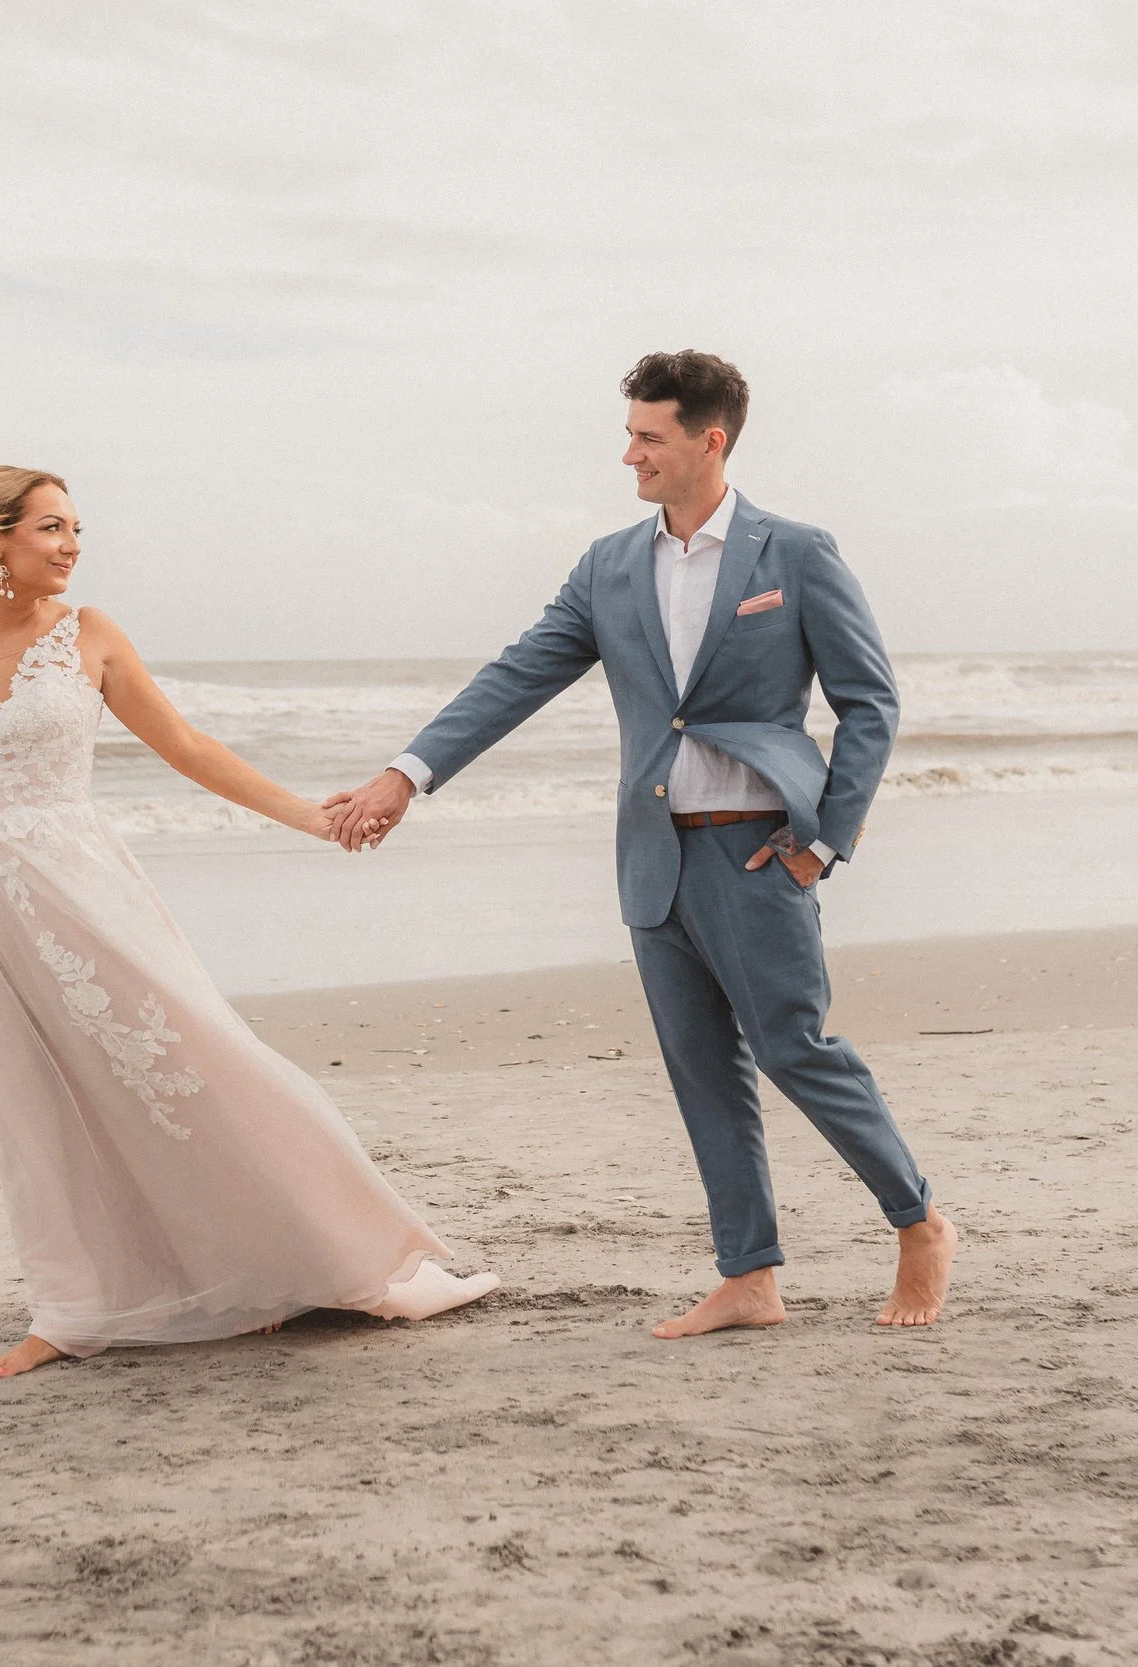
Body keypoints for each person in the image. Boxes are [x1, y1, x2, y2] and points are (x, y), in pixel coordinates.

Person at [324, 351, 956, 1337]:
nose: (629, 455)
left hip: (756, 850)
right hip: (653, 855)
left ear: (710, 441)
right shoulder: (609, 564)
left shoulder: (793, 553)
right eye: (629, 435)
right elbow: (517, 674)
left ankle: (917, 1222)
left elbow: (869, 701)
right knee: (702, 1067)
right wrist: (407, 772)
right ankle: (749, 1276)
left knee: (795, 1050)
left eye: (648, 437)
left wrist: (822, 841)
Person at [0, 466, 497, 1379]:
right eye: (52, 528)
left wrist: (308, 814)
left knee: (192, 1063)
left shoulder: (89, 635)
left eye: (76, 530)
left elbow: (187, 747)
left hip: (75, 891)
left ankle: (318, 1254)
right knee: (27, 1112)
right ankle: (69, 1310)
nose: (71, 545)